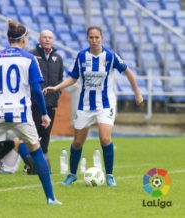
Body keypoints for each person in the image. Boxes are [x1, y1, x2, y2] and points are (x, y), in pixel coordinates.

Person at [0, 19, 61, 205]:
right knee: (36, 151)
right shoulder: (28, 59)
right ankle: (50, 198)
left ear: (8, 38)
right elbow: (35, 89)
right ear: (24, 39)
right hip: (21, 113)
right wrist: (43, 113)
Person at [44, 26, 143, 187]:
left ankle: (110, 175)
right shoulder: (82, 56)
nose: (94, 40)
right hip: (85, 105)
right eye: (91, 37)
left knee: (104, 138)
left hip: (105, 104)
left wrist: (137, 93)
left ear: (102, 38)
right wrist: (56, 87)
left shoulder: (110, 56)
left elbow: (128, 72)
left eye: (97, 37)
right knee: (77, 142)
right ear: (87, 39)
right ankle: (72, 175)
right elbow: (73, 78)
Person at [29, 30, 63, 171]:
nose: (47, 40)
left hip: (51, 102)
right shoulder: (32, 55)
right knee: (34, 133)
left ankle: (42, 162)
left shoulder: (58, 57)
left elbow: (60, 78)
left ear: (53, 40)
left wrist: (57, 93)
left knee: (46, 133)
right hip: (35, 102)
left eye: (50, 37)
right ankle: (31, 163)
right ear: (39, 39)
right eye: (45, 37)